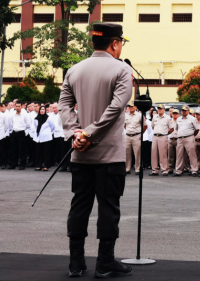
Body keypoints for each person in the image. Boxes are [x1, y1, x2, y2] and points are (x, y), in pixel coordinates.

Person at [58, 22, 133, 277]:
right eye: (121, 42)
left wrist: (76, 132)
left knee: (79, 206)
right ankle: (104, 263)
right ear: (114, 43)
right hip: (109, 155)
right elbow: (116, 108)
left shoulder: (75, 69)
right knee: (109, 208)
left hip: (80, 154)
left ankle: (75, 263)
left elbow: (64, 104)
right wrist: (90, 133)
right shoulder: (122, 70)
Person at [174, 106, 200, 177]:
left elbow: (197, 129)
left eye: (185, 110)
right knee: (179, 155)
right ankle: (178, 171)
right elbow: (176, 128)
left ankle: (194, 170)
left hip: (189, 137)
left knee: (192, 155)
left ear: (188, 111)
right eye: (182, 110)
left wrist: (191, 135)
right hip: (180, 139)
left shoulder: (192, 119)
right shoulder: (179, 119)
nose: (184, 112)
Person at [8, 100, 32, 170]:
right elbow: (10, 124)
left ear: (21, 107)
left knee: (22, 150)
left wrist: (25, 133)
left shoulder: (25, 115)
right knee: (13, 150)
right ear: (14, 106)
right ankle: (13, 164)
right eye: (16, 106)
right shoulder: (12, 115)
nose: (17, 107)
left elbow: (28, 125)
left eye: (19, 106)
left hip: (22, 133)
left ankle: (22, 164)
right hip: (14, 132)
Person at [124, 103, 145, 174]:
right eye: (129, 106)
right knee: (127, 153)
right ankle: (127, 169)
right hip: (127, 136)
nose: (130, 108)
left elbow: (144, 126)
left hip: (136, 136)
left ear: (135, 107)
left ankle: (138, 169)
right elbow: (124, 126)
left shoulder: (139, 115)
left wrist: (140, 133)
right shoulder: (125, 115)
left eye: (132, 107)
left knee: (137, 153)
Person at [33, 105, 56, 171]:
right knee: (38, 152)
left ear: (45, 111)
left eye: (43, 109)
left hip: (47, 138)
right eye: (41, 109)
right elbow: (35, 127)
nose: (42, 111)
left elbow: (52, 127)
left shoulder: (48, 118)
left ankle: (46, 166)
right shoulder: (36, 119)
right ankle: (39, 166)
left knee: (46, 152)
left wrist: (48, 133)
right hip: (38, 138)